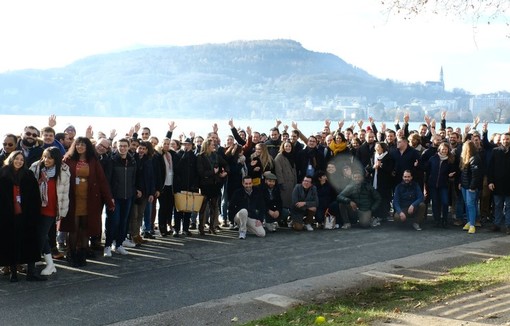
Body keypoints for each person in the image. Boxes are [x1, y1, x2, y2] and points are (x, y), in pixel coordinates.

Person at [60, 137, 114, 266]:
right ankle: (71, 254)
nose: (80, 147)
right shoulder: (68, 159)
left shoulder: (93, 160)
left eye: (83, 145)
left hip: (89, 199)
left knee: (85, 228)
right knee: (73, 228)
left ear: (87, 146)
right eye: (78, 144)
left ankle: (82, 254)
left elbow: (102, 181)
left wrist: (109, 200)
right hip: (73, 199)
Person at [0, 151, 46, 282]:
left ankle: (31, 273)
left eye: (21, 159)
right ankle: (13, 273)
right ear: (11, 159)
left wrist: (34, 214)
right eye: (16, 159)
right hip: (8, 216)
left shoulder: (28, 174)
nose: (19, 161)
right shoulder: (2, 174)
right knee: (10, 243)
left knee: (30, 242)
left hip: (26, 215)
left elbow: (35, 197)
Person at [30, 146, 71, 275]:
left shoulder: (63, 171)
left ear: (56, 159)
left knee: (41, 235)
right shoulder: (36, 167)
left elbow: (65, 194)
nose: (46, 160)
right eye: (45, 156)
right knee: (41, 235)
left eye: (50, 157)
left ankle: (49, 264)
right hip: (37, 207)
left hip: (52, 208)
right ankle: (45, 262)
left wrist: (62, 212)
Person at [105, 138, 137, 255]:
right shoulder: (112, 160)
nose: (122, 148)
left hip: (128, 196)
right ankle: (108, 245)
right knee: (114, 221)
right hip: (115, 197)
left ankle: (118, 244)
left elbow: (134, 178)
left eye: (125, 146)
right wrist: (110, 196)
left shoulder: (132, 160)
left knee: (124, 222)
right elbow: (107, 180)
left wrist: (134, 191)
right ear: (116, 147)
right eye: (120, 146)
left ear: (128, 147)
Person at [197, 138, 229, 235]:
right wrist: (212, 172)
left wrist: (225, 172)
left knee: (213, 206)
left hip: (215, 184)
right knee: (203, 207)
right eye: (212, 145)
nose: (214, 146)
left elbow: (225, 164)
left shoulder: (216, 156)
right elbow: (200, 172)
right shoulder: (200, 157)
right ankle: (201, 227)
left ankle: (212, 227)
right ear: (207, 146)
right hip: (205, 185)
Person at [425, 142, 456, 228]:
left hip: (444, 184)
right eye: (443, 149)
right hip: (433, 184)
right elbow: (427, 168)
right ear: (439, 149)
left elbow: (453, 171)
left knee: (445, 202)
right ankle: (437, 220)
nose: (444, 151)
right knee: (435, 203)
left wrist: (450, 175)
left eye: (446, 149)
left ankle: (445, 219)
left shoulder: (450, 160)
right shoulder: (433, 158)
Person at [174, 137, 199, 236]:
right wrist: (185, 155)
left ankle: (185, 228)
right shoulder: (178, 154)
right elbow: (177, 169)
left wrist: (195, 185)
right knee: (178, 209)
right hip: (180, 186)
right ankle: (176, 229)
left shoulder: (194, 156)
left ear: (192, 145)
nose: (186, 146)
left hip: (190, 186)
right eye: (185, 144)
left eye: (188, 144)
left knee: (188, 209)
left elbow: (196, 172)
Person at [487, 132, 510, 233]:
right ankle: (497, 224)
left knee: (509, 206)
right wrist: (490, 181)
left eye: (507, 139)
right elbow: (490, 168)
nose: (505, 141)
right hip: (497, 183)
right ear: (501, 140)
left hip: (509, 184)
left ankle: (508, 225)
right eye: (504, 139)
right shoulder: (495, 151)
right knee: (498, 205)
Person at [459, 140, 482, 234]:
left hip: (470, 187)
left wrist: (472, 187)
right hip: (465, 185)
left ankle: (472, 224)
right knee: (467, 204)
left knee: (471, 204)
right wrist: (461, 182)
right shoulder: (465, 158)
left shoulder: (474, 158)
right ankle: (469, 221)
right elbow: (463, 173)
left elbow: (475, 175)